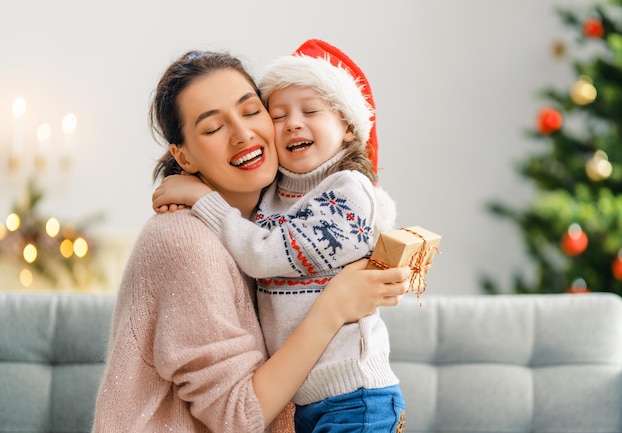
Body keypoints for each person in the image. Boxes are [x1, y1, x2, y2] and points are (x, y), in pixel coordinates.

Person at [91, 49, 410, 433]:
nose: (243, 134)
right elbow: (238, 418)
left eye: (251, 110)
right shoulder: (183, 239)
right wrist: (334, 306)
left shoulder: (271, 216)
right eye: (212, 128)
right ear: (183, 156)